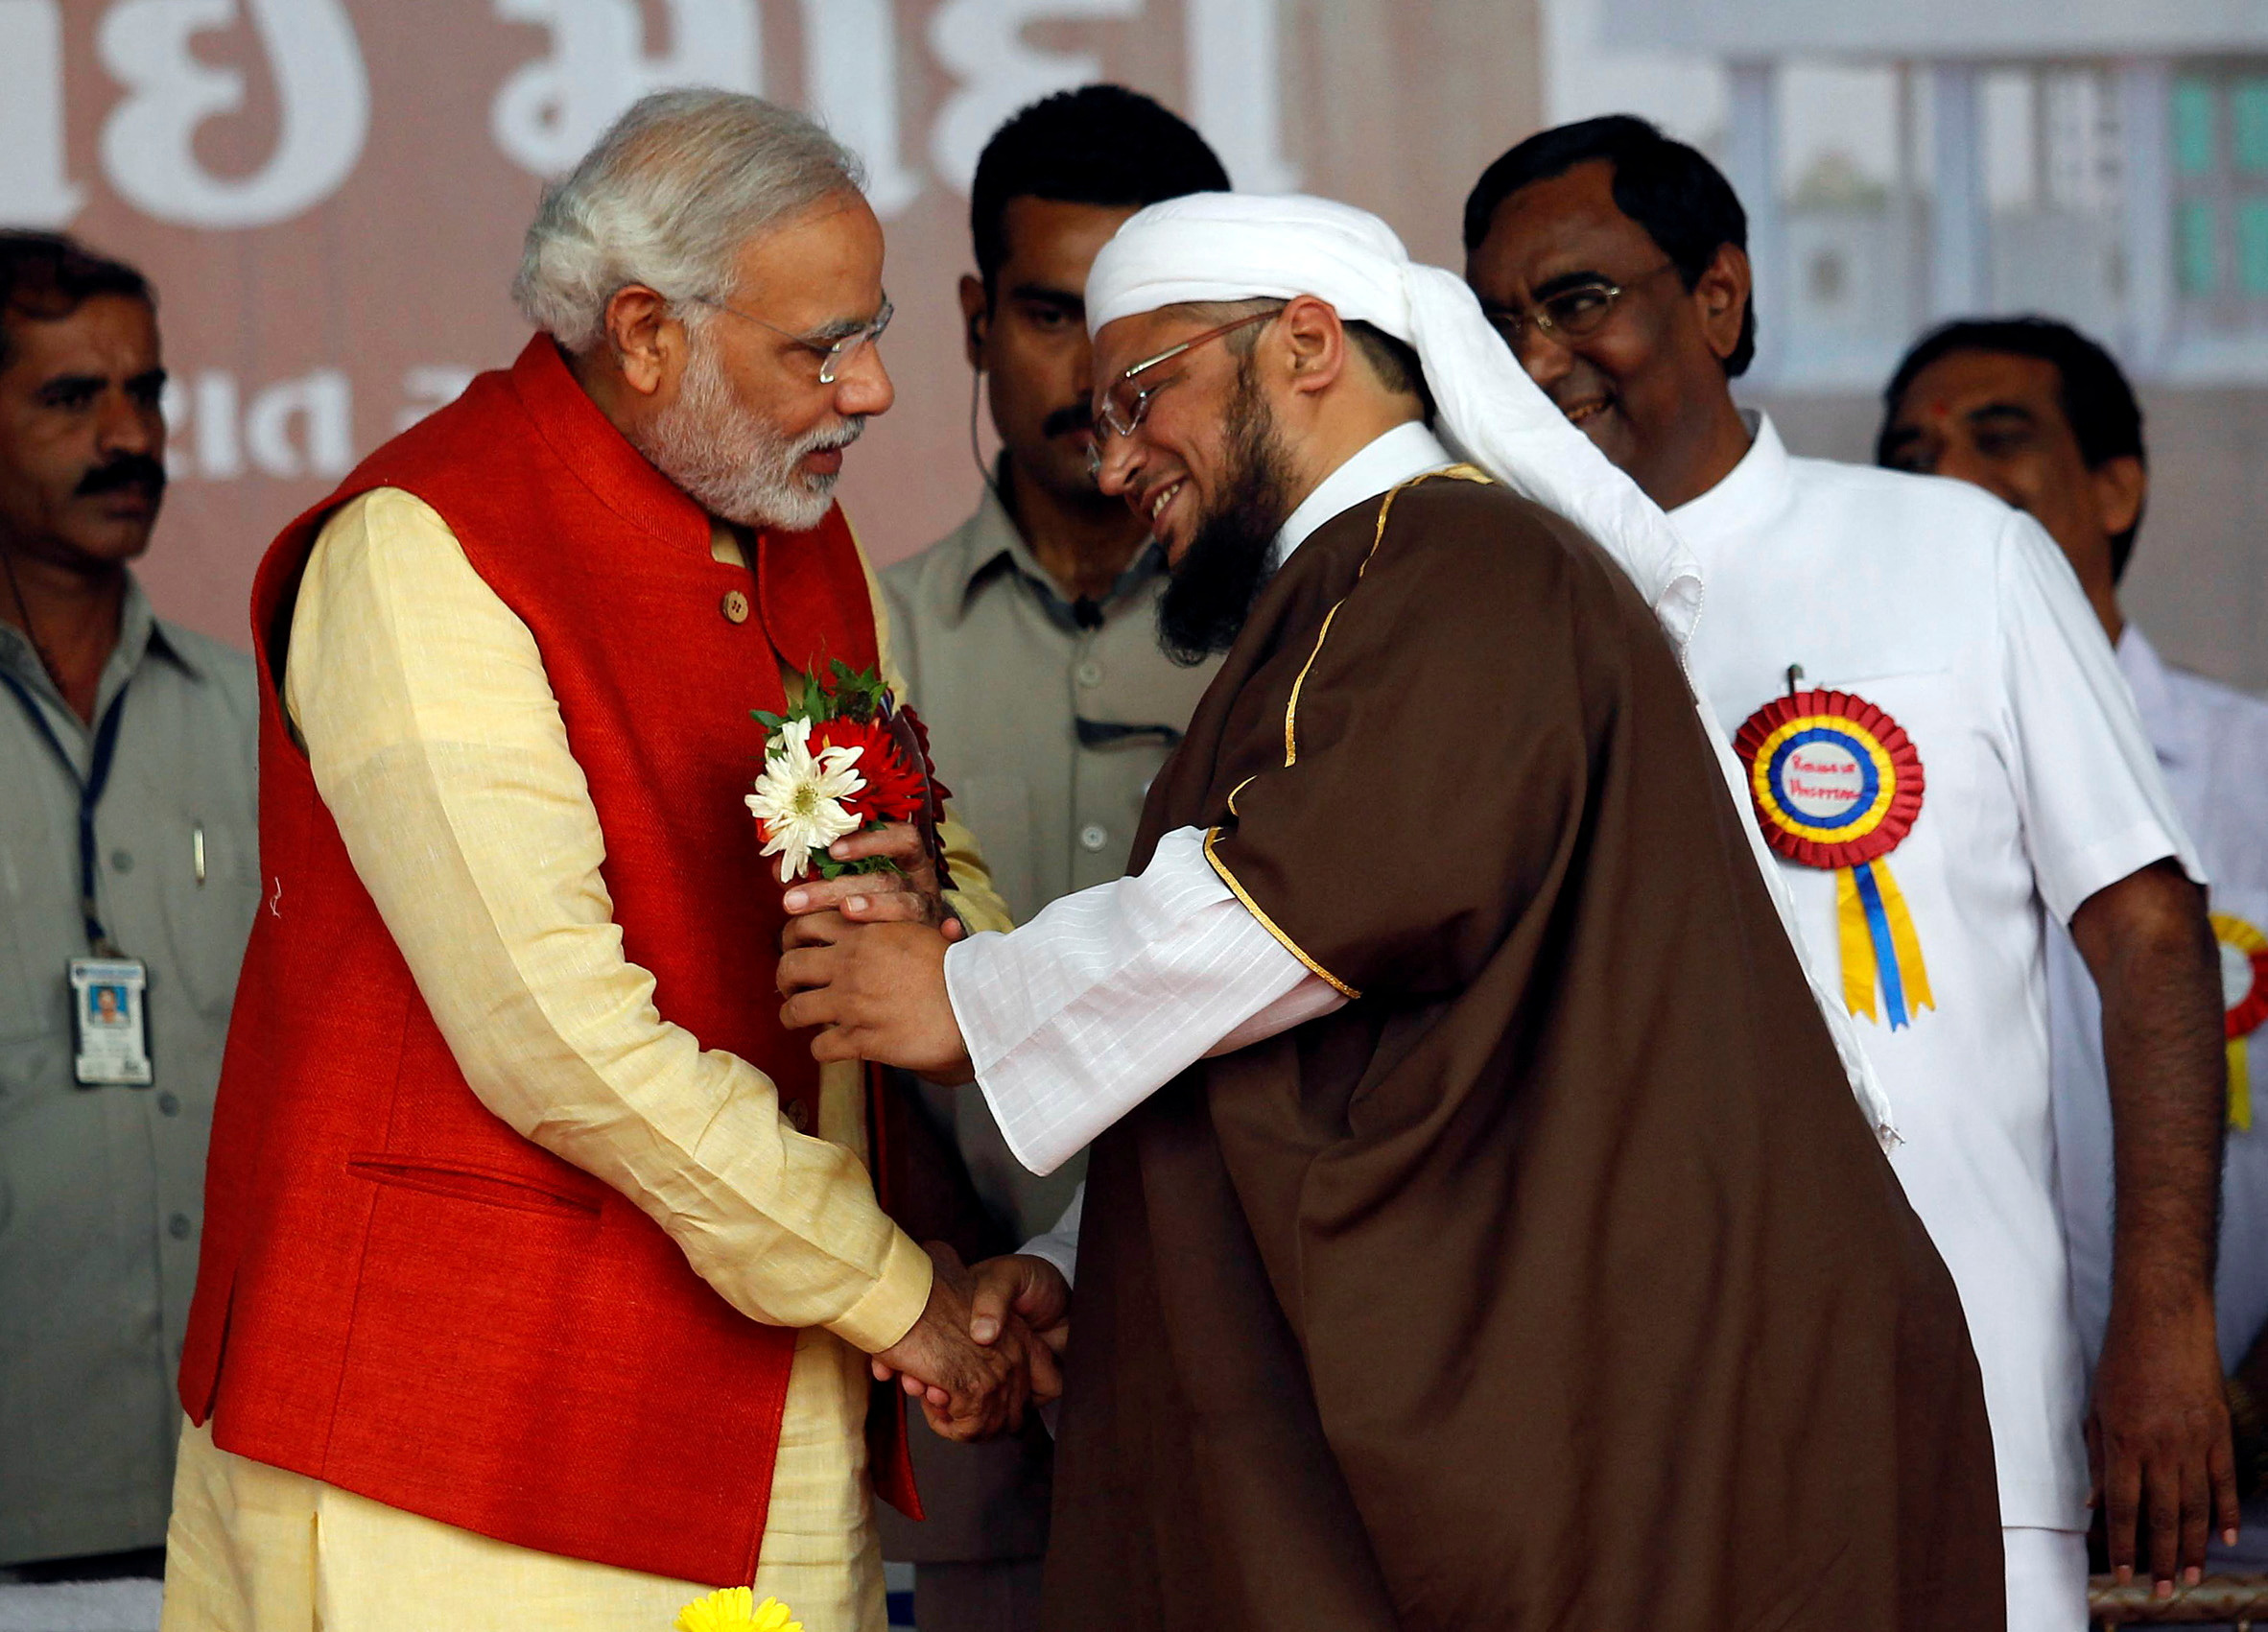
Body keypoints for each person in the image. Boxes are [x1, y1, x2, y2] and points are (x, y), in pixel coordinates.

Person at [777, 191, 2002, 1632]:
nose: (1114, 463)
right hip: (1573, 1389)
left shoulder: (1461, 569)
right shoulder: (1368, 591)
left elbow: (1300, 907)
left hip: (1638, 1407)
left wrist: (967, 1003)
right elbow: (1325, 1053)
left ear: (1303, 342)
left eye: (1141, 395)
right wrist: (1085, 1264)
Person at [158, 91, 1048, 1632]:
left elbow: (920, 863)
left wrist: (954, 956)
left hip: (772, 1392)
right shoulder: (424, 548)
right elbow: (557, 1037)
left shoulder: (800, 540)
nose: (878, 387)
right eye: (818, 348)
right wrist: (903, 1298)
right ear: (645, 333)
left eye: (874, 330)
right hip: (457, 1439)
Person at [1464, 115, 2235, 1624]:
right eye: (1499, 326)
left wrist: (2161, 1313)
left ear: (1721, 299)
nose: (1543, 359)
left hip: (1956, 1392)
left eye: (1578, 302)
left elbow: (2149, 931)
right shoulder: (1481, 608)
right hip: (1611, 1434)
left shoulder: (1959, 554)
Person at [874, 84, 1228, 1632]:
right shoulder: (855, 640)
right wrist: (947, 1285)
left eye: (1133, 322)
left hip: (1242, 1375)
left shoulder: (1312, 646)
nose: (1093, 375)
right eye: (1044, 312)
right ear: (968, 319)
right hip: (939, 1365)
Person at [1878, 315, 2268, 1569]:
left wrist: (2236, 1401)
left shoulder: (2253, 774)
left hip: (2244, 1508)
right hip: (1942, 1506)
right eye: (1907, 452)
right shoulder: (1829, 795)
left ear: (2115, 486)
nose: (1942, 474)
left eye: (1998, 436)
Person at [0, 232, 258, 1583]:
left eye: (146, 395)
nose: (127, 437)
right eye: (70, 399)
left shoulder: (261, 718)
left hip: (239, 1498)